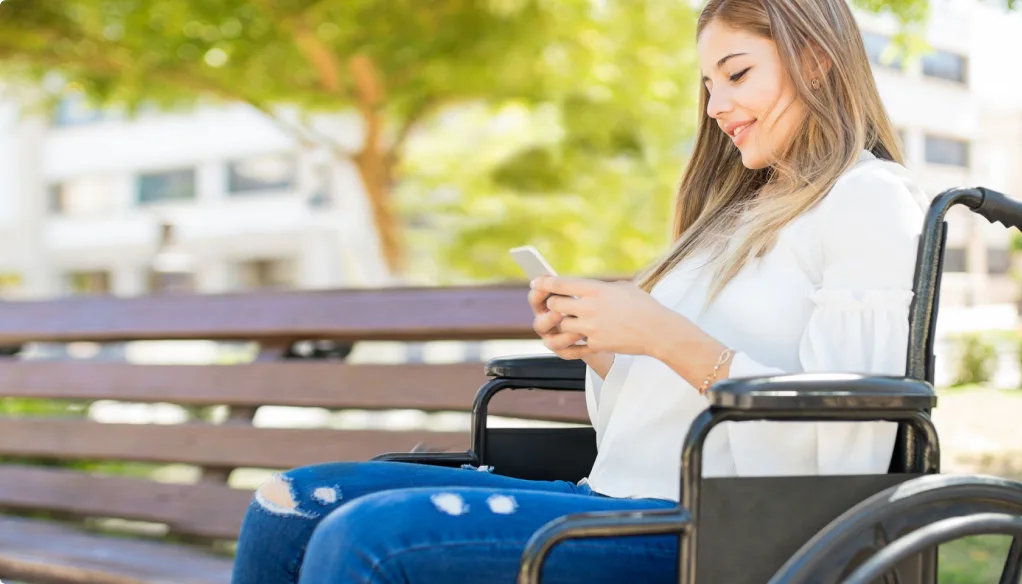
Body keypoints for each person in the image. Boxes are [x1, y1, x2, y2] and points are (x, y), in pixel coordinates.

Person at [231, 0, 929, 581]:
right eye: (707, 85)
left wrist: (657, 331)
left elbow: (846, 437)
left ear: (815, 58)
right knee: (290, 503)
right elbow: (660, 405)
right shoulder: (731, 217)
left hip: (721, 533)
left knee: (366, 539)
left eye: (736, 74)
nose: (716, 106)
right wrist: (604, 349)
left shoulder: (867, 200)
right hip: (618, 493)